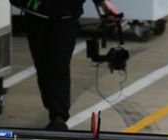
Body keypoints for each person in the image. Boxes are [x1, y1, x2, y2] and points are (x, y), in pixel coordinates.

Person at [17, 0, 119, 131]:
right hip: (37, 15)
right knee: (43, 66)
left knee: (59, 65)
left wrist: (103, 3)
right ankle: (55, 111)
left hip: (66, 17)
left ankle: (58, 115)